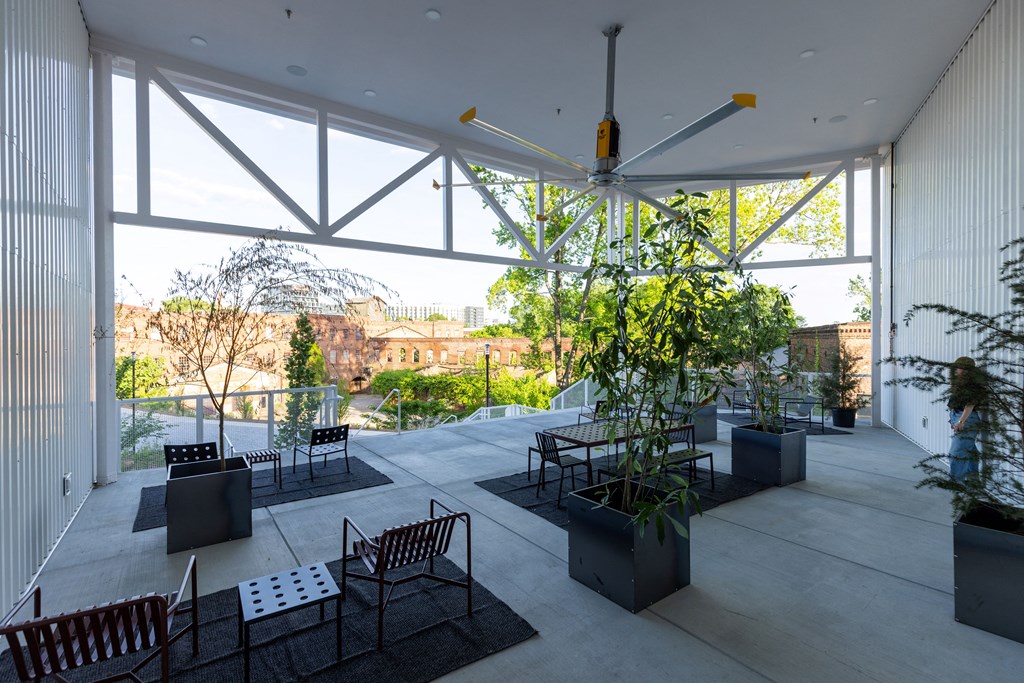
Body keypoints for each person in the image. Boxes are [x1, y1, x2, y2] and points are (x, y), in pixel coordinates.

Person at [947, 356, 985, 482]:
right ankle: (974, 482)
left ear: (966, 370)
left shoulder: (972, 385)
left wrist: (961, 421)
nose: (956, 370)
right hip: (958, 416)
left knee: (956, 453)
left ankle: (956, 482)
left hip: (967, 418)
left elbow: (970, 404)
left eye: (959, 367)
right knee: (969, 450)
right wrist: (954, 419)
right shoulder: (959, 382)